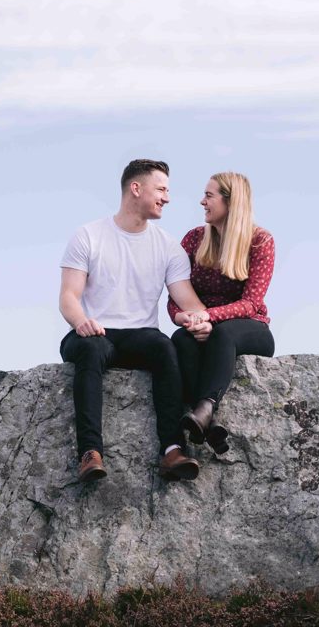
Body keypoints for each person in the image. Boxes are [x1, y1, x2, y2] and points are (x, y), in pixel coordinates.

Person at [59, 159, 209, 483]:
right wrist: (81, 321)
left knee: (164, 348)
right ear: (136, 188)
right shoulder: (88, 236)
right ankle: (90, 453)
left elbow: (188, 301)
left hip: (140, 335)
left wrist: (202, 319)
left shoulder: (168, 247)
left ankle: (171, 451)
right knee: (90, 350)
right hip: (95, 332)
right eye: (162, 189)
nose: (167, 197)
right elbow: (68, 297)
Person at [168, 172, 275, 455]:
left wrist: (209, 317)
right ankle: (207, 418)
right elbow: (174, 297)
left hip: (249, 327)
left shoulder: (260, 241)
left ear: (231, 201)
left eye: (209, 195)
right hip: (200, 323)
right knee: (180, 340)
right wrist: (185, 318)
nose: (202, 201)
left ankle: (204, 408)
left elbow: (251, 303)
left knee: (224, 334)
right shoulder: (193, 240)